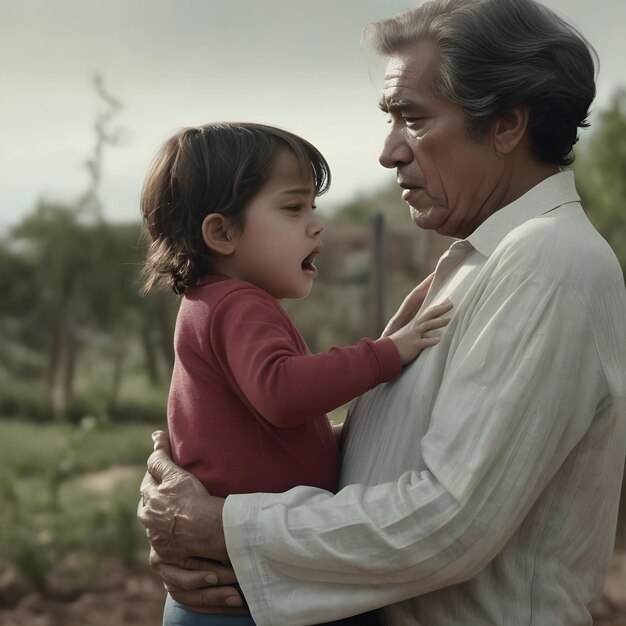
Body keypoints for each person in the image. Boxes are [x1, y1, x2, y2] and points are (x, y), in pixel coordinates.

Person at [139, 0, 626, 624]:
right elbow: (393, 457)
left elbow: (448, 521)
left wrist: (224, 526)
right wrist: (196, 489)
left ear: (506, 125)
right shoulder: (483, 258)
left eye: (413, 119)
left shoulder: (550, 263)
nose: (390, 152)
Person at [139, 122, 452, 626]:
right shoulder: (240, 304)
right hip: (253, 597)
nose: (316, 224)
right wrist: (386, 355)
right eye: (293, 207)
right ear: (222, 232)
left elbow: (264, 429)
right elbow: (282, 393)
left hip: (228, 588)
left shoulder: (206, 304)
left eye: (313, 207)